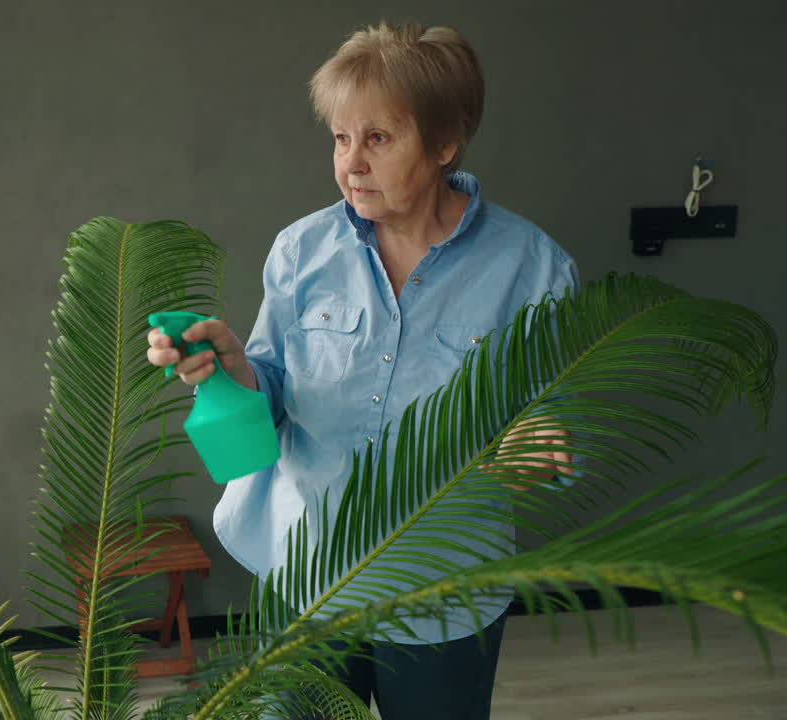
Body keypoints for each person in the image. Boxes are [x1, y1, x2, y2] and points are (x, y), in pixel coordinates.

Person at [147, 21, 578, 720]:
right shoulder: (301, 251)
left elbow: (555, 417)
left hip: (442, 594)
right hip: (305, 578)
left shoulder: (533, 269)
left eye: (378, 138)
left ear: (444, 143)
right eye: (341, 139)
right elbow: (275, 392)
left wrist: (537, 442)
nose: (352, 163)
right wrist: (231, 366)